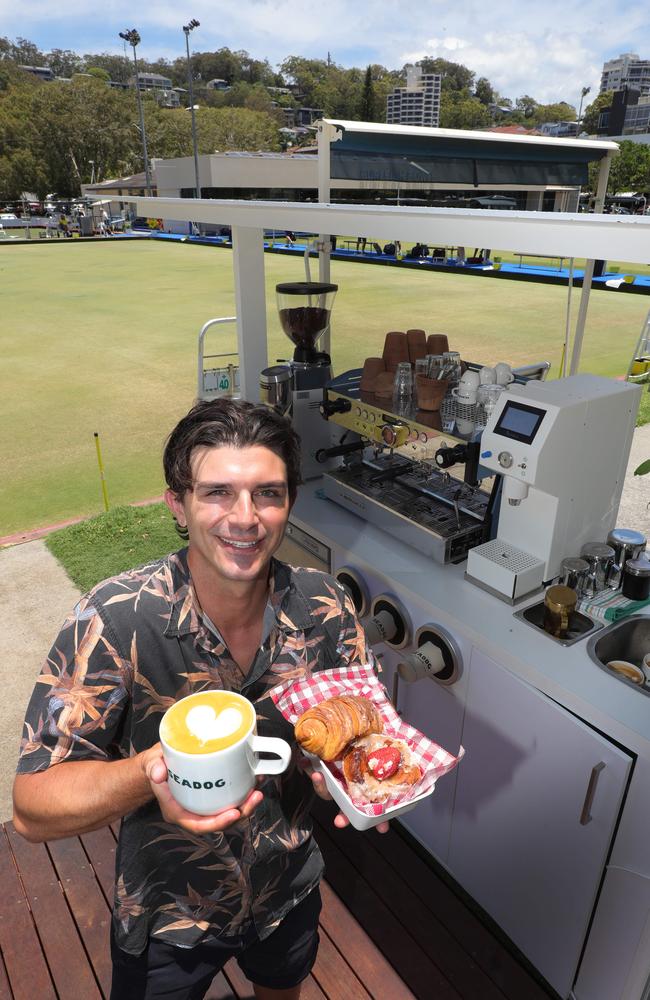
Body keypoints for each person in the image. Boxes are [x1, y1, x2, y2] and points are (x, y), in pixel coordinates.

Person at [13, 398, 387, 1000]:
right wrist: (150, 771)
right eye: (217, 492)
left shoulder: (326, 610)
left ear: (289, 501)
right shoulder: (115, 621)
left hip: (287, 888)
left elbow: (364, 734)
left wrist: (354, 777)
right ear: (177, 505)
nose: (245, 517)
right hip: (168, 917)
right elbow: (32, 806)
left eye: (268, 493)